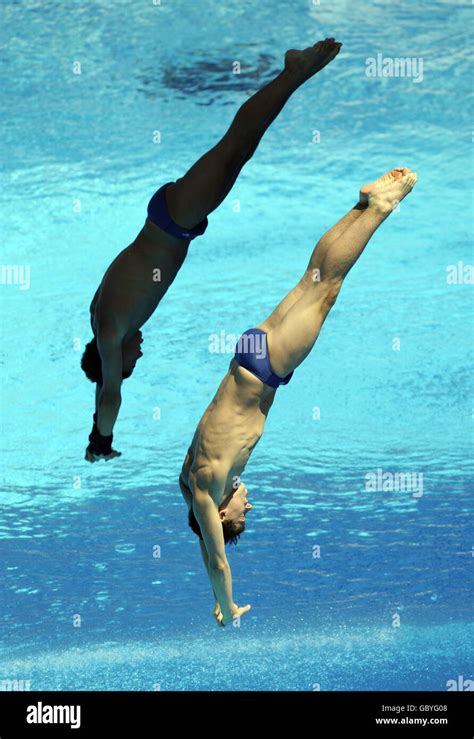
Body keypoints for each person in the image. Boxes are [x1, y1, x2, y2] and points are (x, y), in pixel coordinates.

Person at [81, 38, 343, 462]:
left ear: (112, 359)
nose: (138, 353)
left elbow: (110, 392)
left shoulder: (109, 331)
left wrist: (100, 441)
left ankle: (294, 72)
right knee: (239, 150)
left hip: (174, 219)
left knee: (235, 145)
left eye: (131, 363)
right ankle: (293, 75)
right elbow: (106, 382)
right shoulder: (105, 322)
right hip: (175, 220)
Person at [179, 168, 418, 626]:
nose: (247, 506)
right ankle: (364, 204)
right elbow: (202, 536)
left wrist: (225, 603)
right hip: (249, 352)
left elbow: (217, 559)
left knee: (327, 288)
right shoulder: (188, 479)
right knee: (312, 280)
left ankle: (381, 208)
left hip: (265, 367)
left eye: (240, 517)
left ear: (220, 515)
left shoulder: (208, 490)